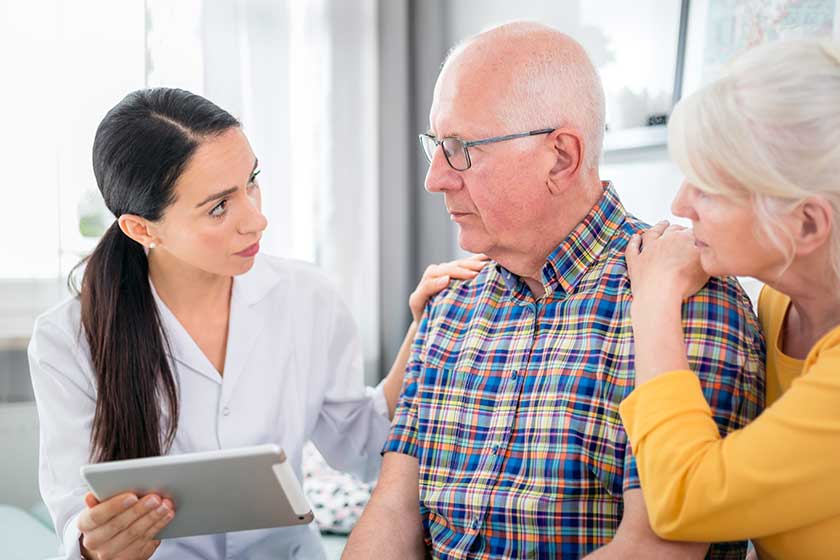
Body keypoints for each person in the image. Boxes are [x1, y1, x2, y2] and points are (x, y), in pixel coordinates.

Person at [344, 22, 764, 559]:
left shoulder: (688, 301)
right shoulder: (449, 304)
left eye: (459, 148)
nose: (435, 178)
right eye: (436, 144)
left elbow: (663, 551)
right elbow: (391, 510)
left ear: (561, 157)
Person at [28, 87, 488, 560]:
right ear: (142, 229)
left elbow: (366, 449)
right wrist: (96, 545)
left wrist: (421, 333)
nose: (257, 219)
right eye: (219, 207)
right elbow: (75, 517)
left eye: (252, 181)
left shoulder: (308, 298)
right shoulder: (65, 340)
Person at [619, 38, 840, 560]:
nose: (679, 204)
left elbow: (684, 502)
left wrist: (653, 300)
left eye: (710, 188)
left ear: (806, 223)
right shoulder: (778, 306)